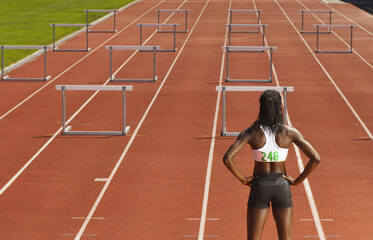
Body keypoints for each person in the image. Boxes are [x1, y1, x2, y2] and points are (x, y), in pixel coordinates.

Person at [223, 89, 320, 240]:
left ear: (261, 107)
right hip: (282, 185)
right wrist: (296, 181)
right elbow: (315, 158)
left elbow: (227, 158)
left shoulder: (251, 133)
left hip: (260, 184)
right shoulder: (289, 133)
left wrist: (242, 179)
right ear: (279, 107)